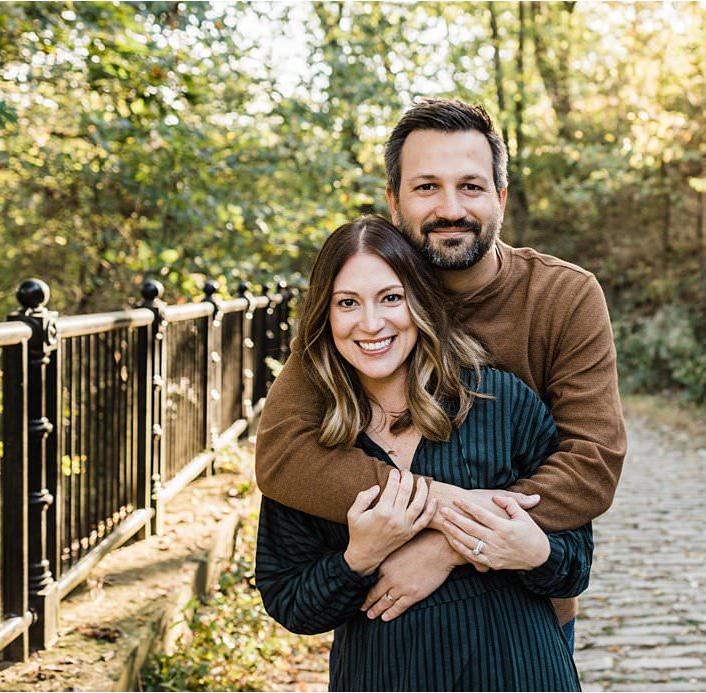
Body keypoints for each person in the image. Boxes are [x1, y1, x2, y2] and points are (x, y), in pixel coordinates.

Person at [255, 98, 626, 642]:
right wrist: (441, 501)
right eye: (427, 187)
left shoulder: (562, 295)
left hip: (524, 615)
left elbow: (593, 460)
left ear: (500, 197)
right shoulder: (364, 305)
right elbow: (284, 453)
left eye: (471, 186)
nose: (451, 207)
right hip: (392, 633)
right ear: (394, 201)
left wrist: (448, 543)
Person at [255, 216, 590, 691]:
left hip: (521, 673)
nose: (371, 323)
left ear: (420, 302)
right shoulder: (316, 443)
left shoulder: (501, 402)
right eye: (347, 303)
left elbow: (575, 564)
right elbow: (290, 601)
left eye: (391, 298)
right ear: (325, 317)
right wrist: (358, 559)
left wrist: (533, 551)